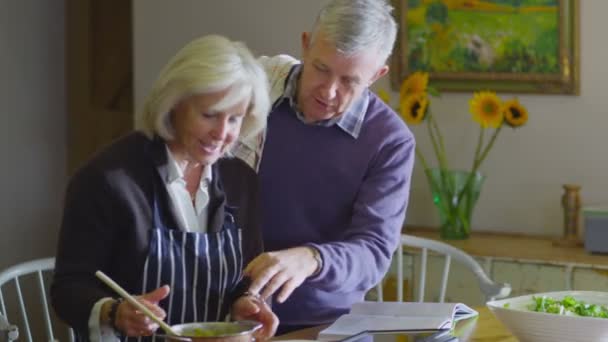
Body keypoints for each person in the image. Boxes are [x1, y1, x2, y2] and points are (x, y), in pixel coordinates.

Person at [51, 34, 278, 341]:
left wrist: (246, 303)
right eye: (209, 115)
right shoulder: (107, 178)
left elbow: (242, 279)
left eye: (235, 119)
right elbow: (68, 287)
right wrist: (115, 312)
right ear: (174, 103)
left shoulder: (241, 181)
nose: (222, 134)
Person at [235, 0, 416, 334]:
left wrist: (312, 258)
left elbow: (374, 251)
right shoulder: (252, 94)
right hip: (226, 311)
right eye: (320, 68)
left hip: (323, 323)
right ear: (305, 45)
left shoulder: (389, 141)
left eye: (350, 81)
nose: (329, 91)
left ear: (377, 76)